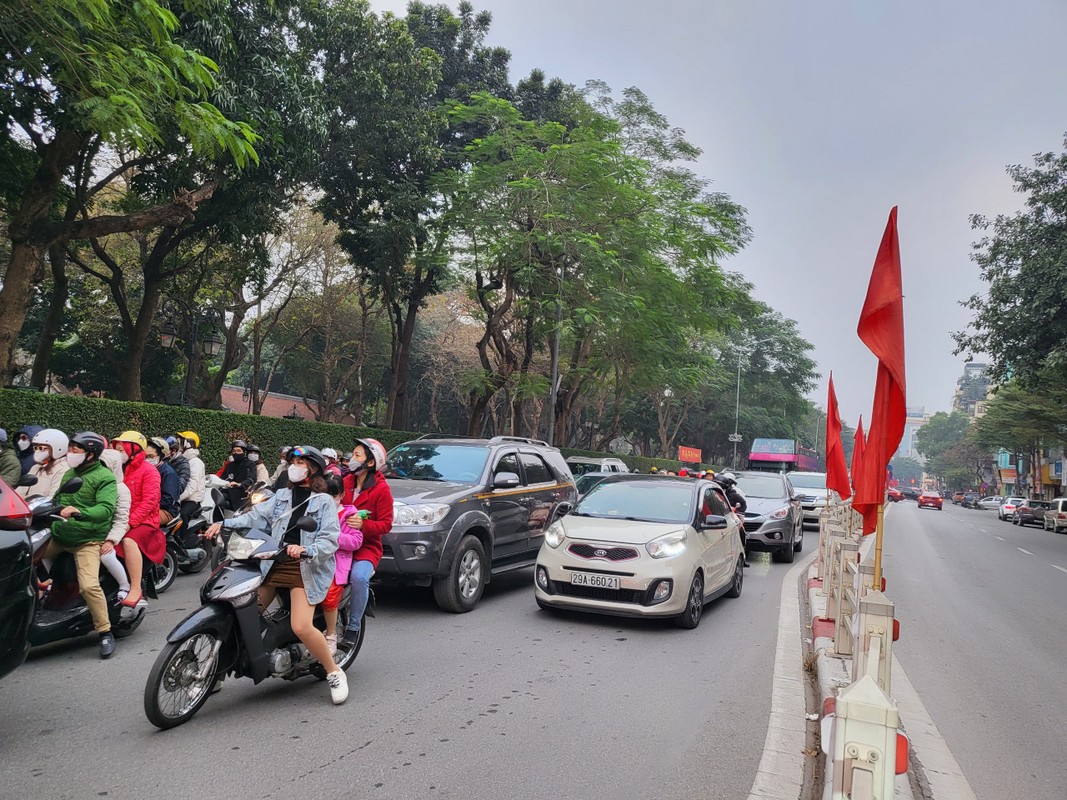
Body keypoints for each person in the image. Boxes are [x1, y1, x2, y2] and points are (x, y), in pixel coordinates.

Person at [204, 446, 347, 704]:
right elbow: (256, 516)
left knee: (301, 625)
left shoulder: (323, 501)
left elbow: (330, 540)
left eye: (301, 461)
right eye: (293, 460)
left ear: (313, 468)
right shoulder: (281, 495)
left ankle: (333, 671)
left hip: (305, 567)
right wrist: (223, 523)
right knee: (243, 610)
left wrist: (307, 549)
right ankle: (216, 672)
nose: (295, 465)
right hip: (275, 562)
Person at [46, 431, 118, 658]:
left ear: (90, 454)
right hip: (60, 535)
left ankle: (105, 631)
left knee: (88, 585)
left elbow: (106, 509)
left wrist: (80, 512)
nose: (70, 454)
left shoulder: (105, 478)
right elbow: (57, 499)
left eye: (75, 450)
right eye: (70, 449)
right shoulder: (69, 473)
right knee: (24, 556)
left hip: (87, 539)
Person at [340, 438, 393, 648]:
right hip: (340, 544)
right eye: (353, 454)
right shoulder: (344, 483)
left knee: (359, 577)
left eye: (357, 455)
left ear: (370, 462)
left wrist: (363, 525)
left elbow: (386, 524)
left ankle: (353, 627)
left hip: (366, 548)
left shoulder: (382, 489)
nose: (352, 458)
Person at [111, 431, 163, 611]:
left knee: (128, 541)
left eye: (121, 449)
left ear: (133, 449)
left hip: (144, 522)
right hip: (119, 519)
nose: (118, 453)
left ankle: (135, 588)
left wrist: (129, 523)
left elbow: (149, 502)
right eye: (116, 449)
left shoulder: (150, 471)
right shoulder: (116, 470)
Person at [320, 474, 362, 655]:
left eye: (334, 495)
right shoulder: (313, 510)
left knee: (330, 596)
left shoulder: (350, 514)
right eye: (325, 495)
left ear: (342, 495)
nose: (330, 500)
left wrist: (334, 537)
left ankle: (331, 635)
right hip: (314, 560)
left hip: (337, 565)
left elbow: (356, 541)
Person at [99, 448, 132, 600]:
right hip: (93, 530)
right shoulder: (94, 484)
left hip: (112, 531)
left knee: (106, 556)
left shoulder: (121, 490)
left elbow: (121, 519)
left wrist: (110, 540)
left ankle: (125, 585)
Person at [18, 428, 70, 499]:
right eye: (35, 448)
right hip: (24, 508)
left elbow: (53, 497)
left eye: (41, 448)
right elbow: (20, 491)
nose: (37, 451)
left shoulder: (63, 469)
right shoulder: (36, 467)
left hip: (41, 509)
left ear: (58, 448)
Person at [715, 471, 749, 566]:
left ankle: (743, 556)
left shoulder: (735, 493)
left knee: (742, 533)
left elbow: (743, 504)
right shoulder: (712, 492)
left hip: (731, 517)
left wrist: (737, 512)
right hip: (716, 518)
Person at [146, 437, 180, 526]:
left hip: (165, 510)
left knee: (141, 522)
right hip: (146, 507)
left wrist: (147, 506)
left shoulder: (168, 473)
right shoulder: (144, 470)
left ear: (160, 456)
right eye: (145, 456)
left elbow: (168, 499)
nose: (147, 459)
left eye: (151, 456)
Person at [176, 430, 205, 524]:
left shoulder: (195, 462)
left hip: (191, 501)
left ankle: (181, 538)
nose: (178, 445)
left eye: (180, 442)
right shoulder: (182, 461)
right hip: (182, 499)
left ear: (187, 444)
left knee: (181, 515)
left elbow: (191, 487)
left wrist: (177, 499)